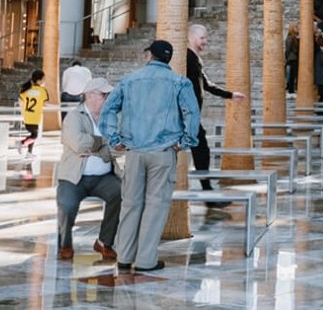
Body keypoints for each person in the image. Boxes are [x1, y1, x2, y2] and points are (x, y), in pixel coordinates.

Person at [99, 40, 199, 273]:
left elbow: (108, 111)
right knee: (156, 206)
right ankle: (145, 261)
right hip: (163, 152)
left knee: (130, 203)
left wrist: (114, 139)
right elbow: (192, 114)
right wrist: (184, 142)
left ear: (149, 56)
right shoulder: (179, 82)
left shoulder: (129, 80)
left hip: (134, 152)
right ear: (168, 59)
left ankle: (124, 257)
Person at [54, 73, 120, 261]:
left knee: (122, 192)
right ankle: (65, 244)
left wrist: (98, 149)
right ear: (90, 95)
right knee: (67, 204)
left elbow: (117, 147)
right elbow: (78, 144)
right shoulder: (74, 117)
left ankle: (104, 242)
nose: (108, 99)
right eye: (104, 95)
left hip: (104, 177)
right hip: (74, 176)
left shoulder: (111, 118)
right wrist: (102, 143)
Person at [183, 25, 235, 190]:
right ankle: (207, 190)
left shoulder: (195, 58)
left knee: (201, 149)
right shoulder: (187, 58)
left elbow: (205, 84)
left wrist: (230, 95)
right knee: (201, 148)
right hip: (186, 113)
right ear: (191, 37)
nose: (205, 41)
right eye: (202, 38)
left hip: (191, 114)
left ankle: (207, 189)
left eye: (206, 38)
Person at [17, 71, 48, 155]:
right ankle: (21, 143)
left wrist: (22, 110)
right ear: (38, 81)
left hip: (27, 116)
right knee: (35, 135)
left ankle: (29, 152)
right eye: (43, 79)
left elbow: (20, 99)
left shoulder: (27, 89)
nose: (45, 81)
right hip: (35, 117)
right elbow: (45, 104)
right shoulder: (42, 91)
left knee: (32, 134)